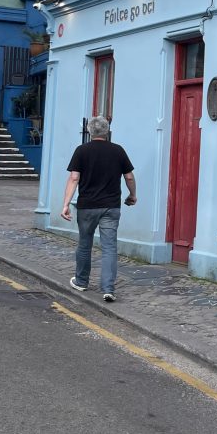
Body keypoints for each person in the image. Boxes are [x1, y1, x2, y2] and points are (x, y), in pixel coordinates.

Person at [61, 116, 137, 303]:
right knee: (109, 247)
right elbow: (128, 177)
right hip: (111, 207)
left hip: (87, 206)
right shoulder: (118, 151)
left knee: (85, 244)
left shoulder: (81, 151)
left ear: (89, 131)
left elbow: (74, 178)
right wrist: (132, 195)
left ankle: (81, 281)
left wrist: (65, 204)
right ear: (107, 131)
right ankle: (108, 289)